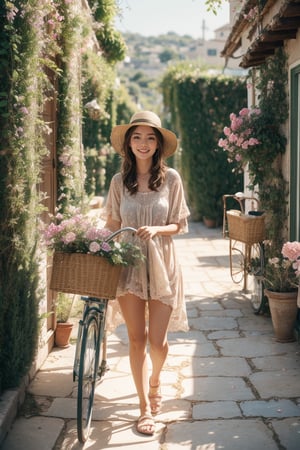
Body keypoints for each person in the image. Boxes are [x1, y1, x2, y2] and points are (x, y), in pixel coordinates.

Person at [103, 110, 190, 436]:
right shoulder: (117, 182)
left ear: (158, 144)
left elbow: (180, 225)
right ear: (128, 143)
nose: (143, 143)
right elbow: (112, 223)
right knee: (136, 339)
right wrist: (100, 248)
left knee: (158, 342)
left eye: (150, 137)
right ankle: (143, 408)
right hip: (128, 268)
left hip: (162, 265)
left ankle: (155, 382)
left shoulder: (172, 179)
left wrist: (157, 229)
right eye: (137, 137)